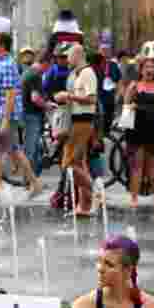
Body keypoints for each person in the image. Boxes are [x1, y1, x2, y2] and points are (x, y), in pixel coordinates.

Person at [0, 32, 43, 203]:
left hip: (3, 114)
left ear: (2, 46)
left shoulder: (7, 65)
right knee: (14, 151)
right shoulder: (1, 63)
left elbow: (10, 94)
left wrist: (5, 120)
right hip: (1, 113)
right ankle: (35, 184)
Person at [123, 56, 154, 215]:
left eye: (152, 67)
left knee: (153, 166)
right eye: (146, 67)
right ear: (141, 70)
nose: (150, 70)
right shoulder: (134, 85)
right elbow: (125, 106)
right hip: (136, 129)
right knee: (137, 165)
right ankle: (134, 199)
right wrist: (131, 104)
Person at [55, 44, 99, 215]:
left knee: (69, 164)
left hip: (83, 122)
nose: (67, 60)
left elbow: (91, 99)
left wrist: (68, 96)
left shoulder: (88, 73)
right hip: (76, 120)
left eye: (69, 56)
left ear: (78, 55)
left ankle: (96, 192)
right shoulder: (76, 74)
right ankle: (83, 206)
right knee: (79, 163)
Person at [21, 53, 52, 177]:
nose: (48, 70)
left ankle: (32, 177)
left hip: (26, 113)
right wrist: (47, 105)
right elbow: (35, 98)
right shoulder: (35, 75)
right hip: (31, 114)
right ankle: (28, 179)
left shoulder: (28, 72)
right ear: (45, 63)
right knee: (31, 149)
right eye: (49, 66)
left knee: (34, 148)